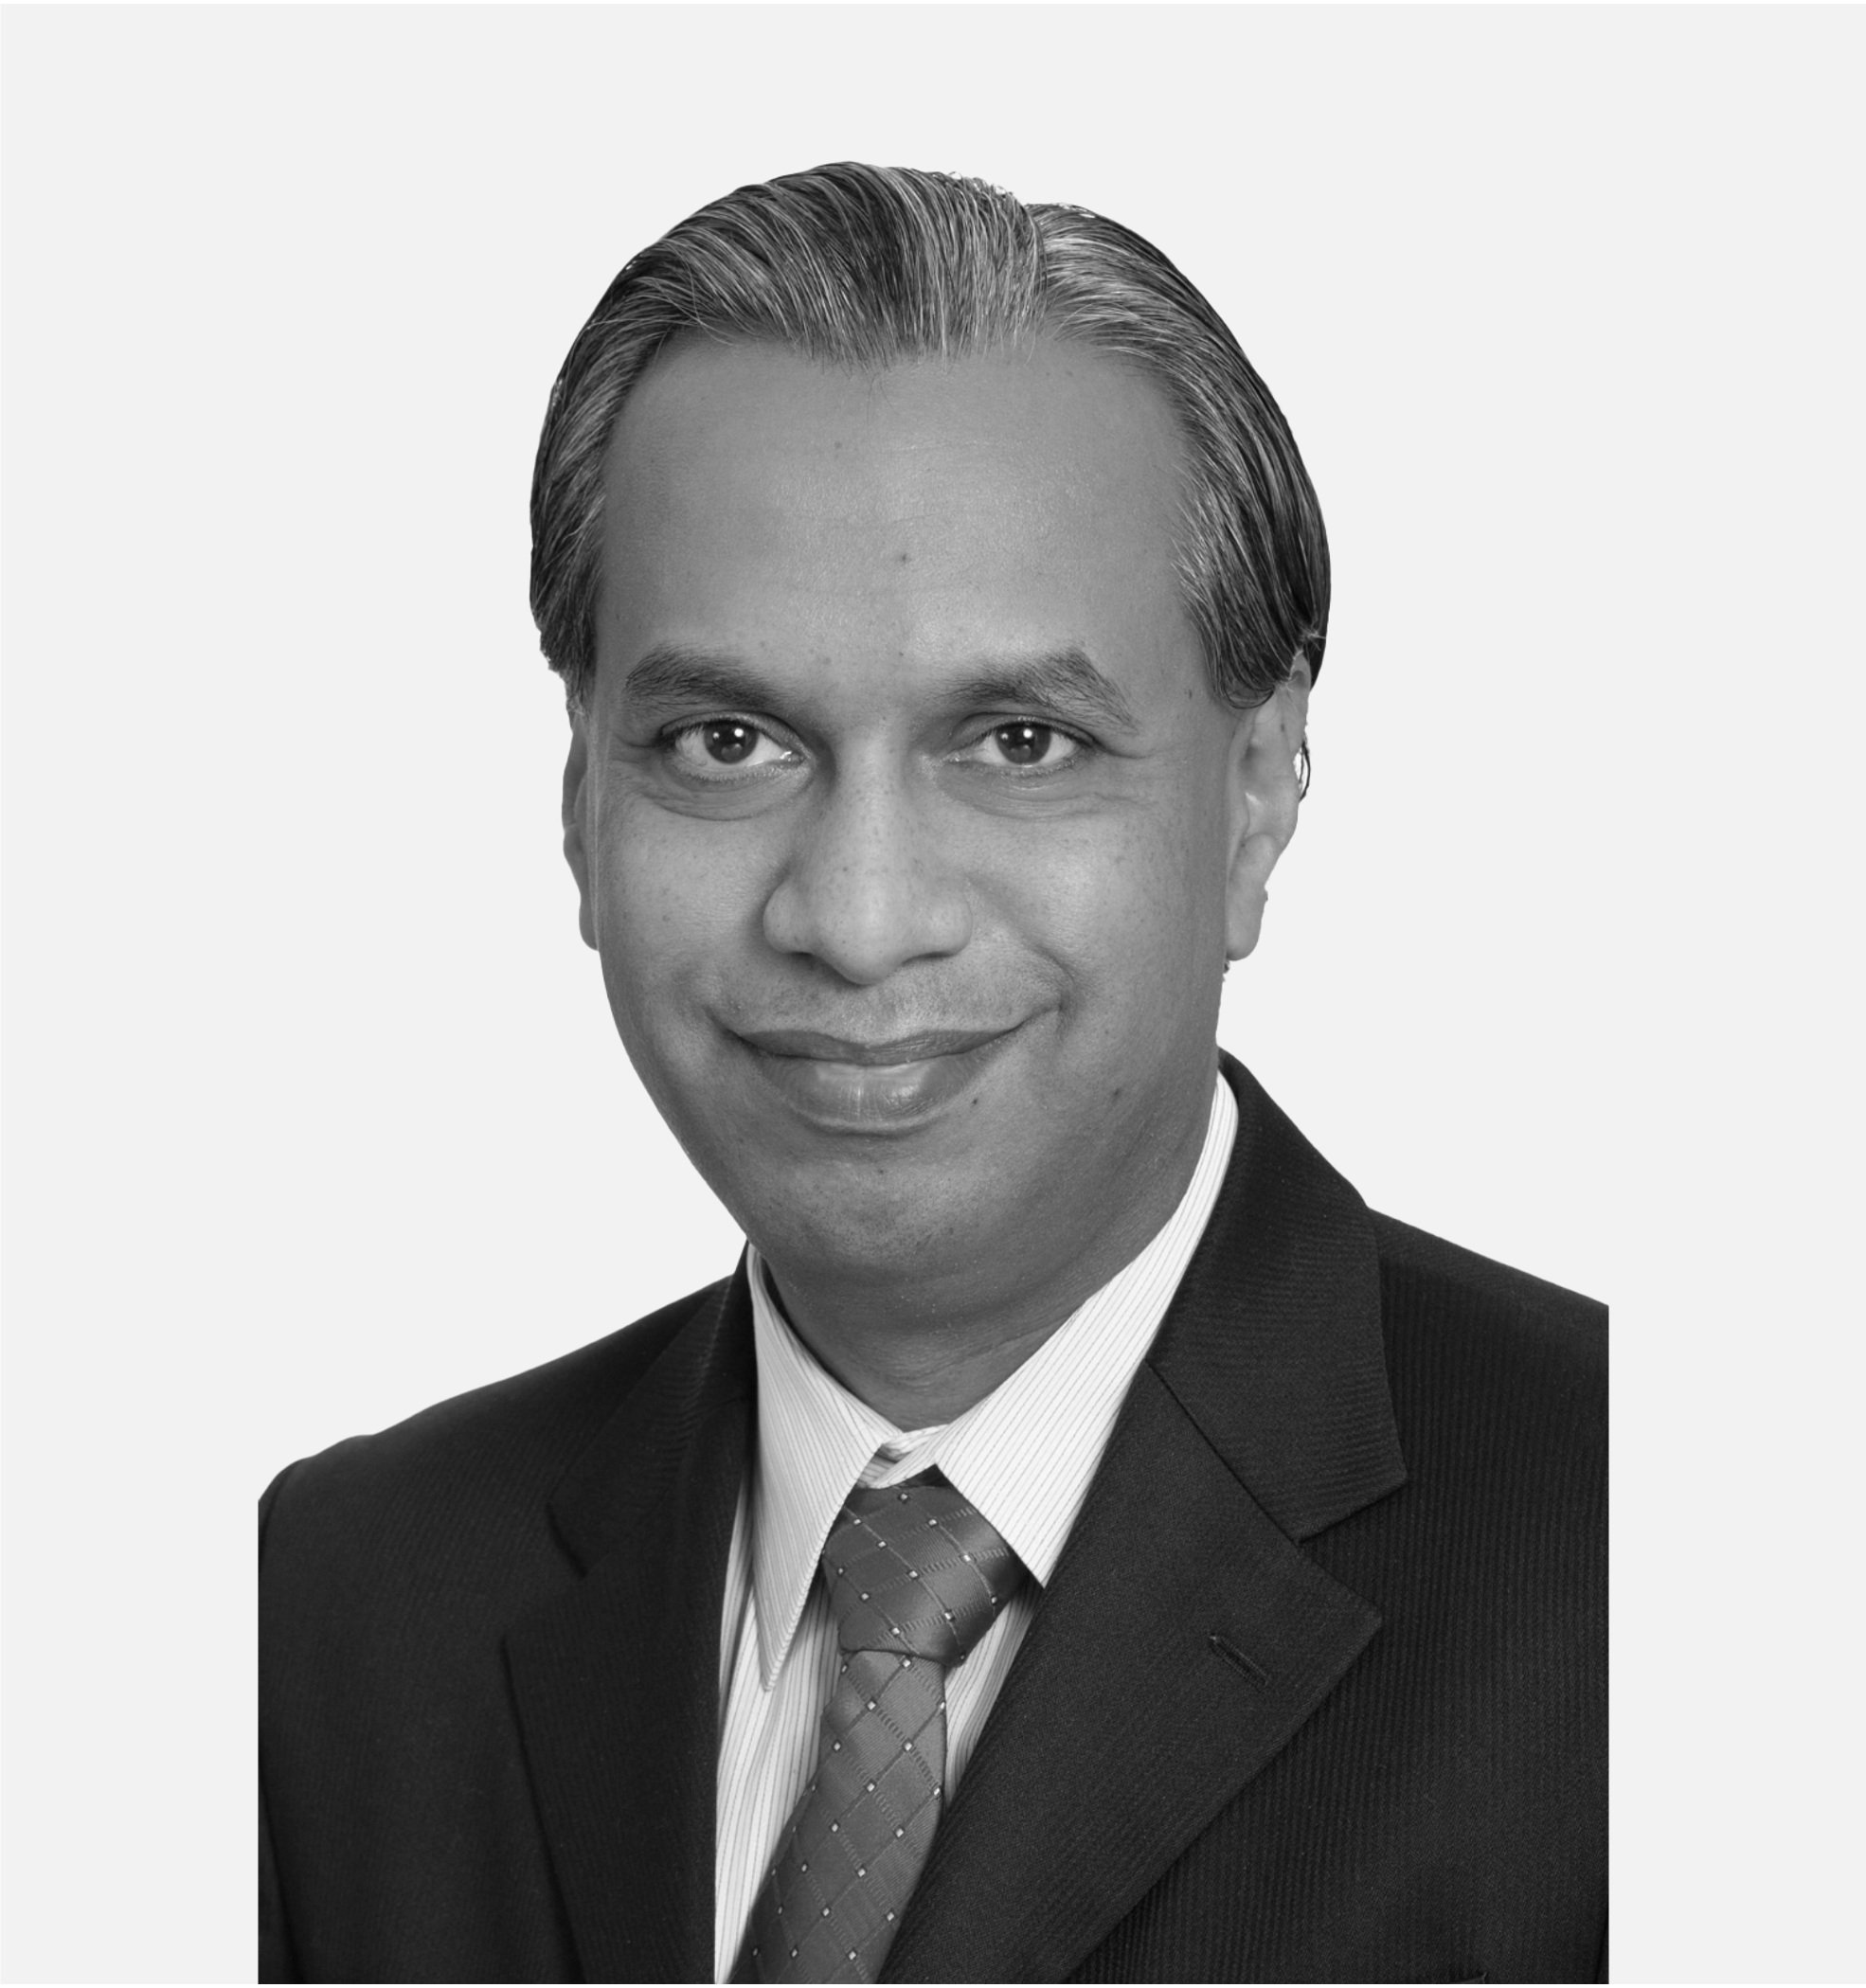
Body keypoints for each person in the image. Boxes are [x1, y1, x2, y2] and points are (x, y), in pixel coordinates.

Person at [259, 162, 1606, 1985]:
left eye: (1020, 740)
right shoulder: (329, 1610)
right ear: (579, 797)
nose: (859, 916)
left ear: (1261, 791)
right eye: (723, 740)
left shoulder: (1661, 1565)